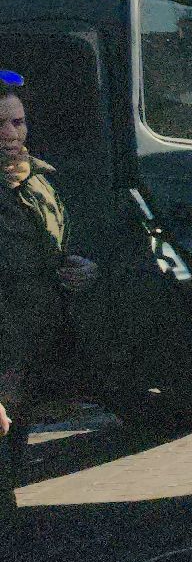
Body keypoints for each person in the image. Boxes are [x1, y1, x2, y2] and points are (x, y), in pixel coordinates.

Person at [0, 78, 98, 463]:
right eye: (0, 123)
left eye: (18, 122)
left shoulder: (36, 180)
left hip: (30, 351)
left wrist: (84, 270)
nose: (11, 133)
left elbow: (62, 246)